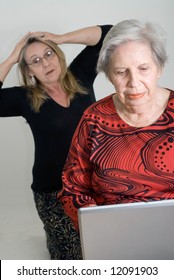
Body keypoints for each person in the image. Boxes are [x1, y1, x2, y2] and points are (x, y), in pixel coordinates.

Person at [0, 24, 112, 259]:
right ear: (30, 71)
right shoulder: (26, 98)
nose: (46, 63)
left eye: (48, 54)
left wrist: (61, 38)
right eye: (35, 61)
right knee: (71, 257)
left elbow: (108, 33)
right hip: (53, 191)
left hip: (94, 183)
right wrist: (12, 58)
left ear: (58, 55)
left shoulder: (79, 76)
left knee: (102, 247)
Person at [58, 19, 174, 230]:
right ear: (109, 75)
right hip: (111, 231)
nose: (134, 82)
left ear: (160, 68)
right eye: (121, 72)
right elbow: (73, 188)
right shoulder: (94, 119)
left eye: (143, 68)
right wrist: (96, 223)